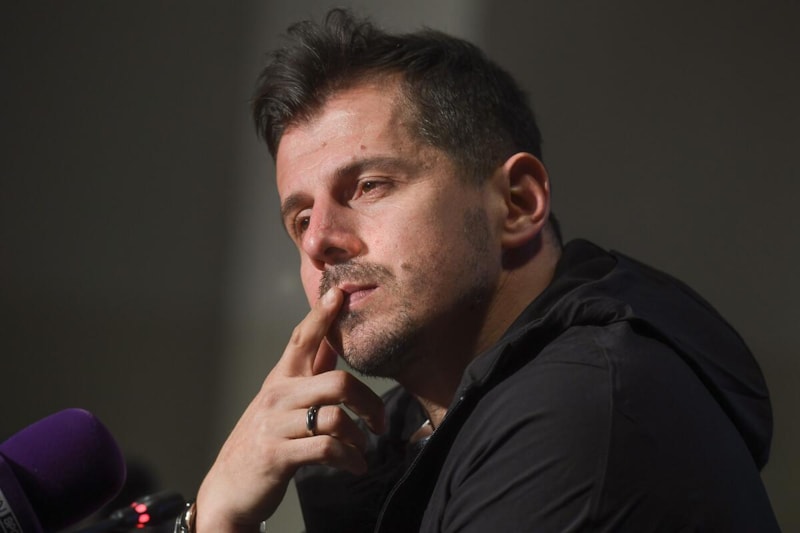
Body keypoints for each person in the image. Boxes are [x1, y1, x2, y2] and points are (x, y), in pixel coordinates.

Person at [186, 8, 779, 532]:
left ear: (516, 203)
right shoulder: (410, 431)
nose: (318, 241)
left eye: (369, 186)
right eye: (300, 218)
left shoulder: (576, 410)